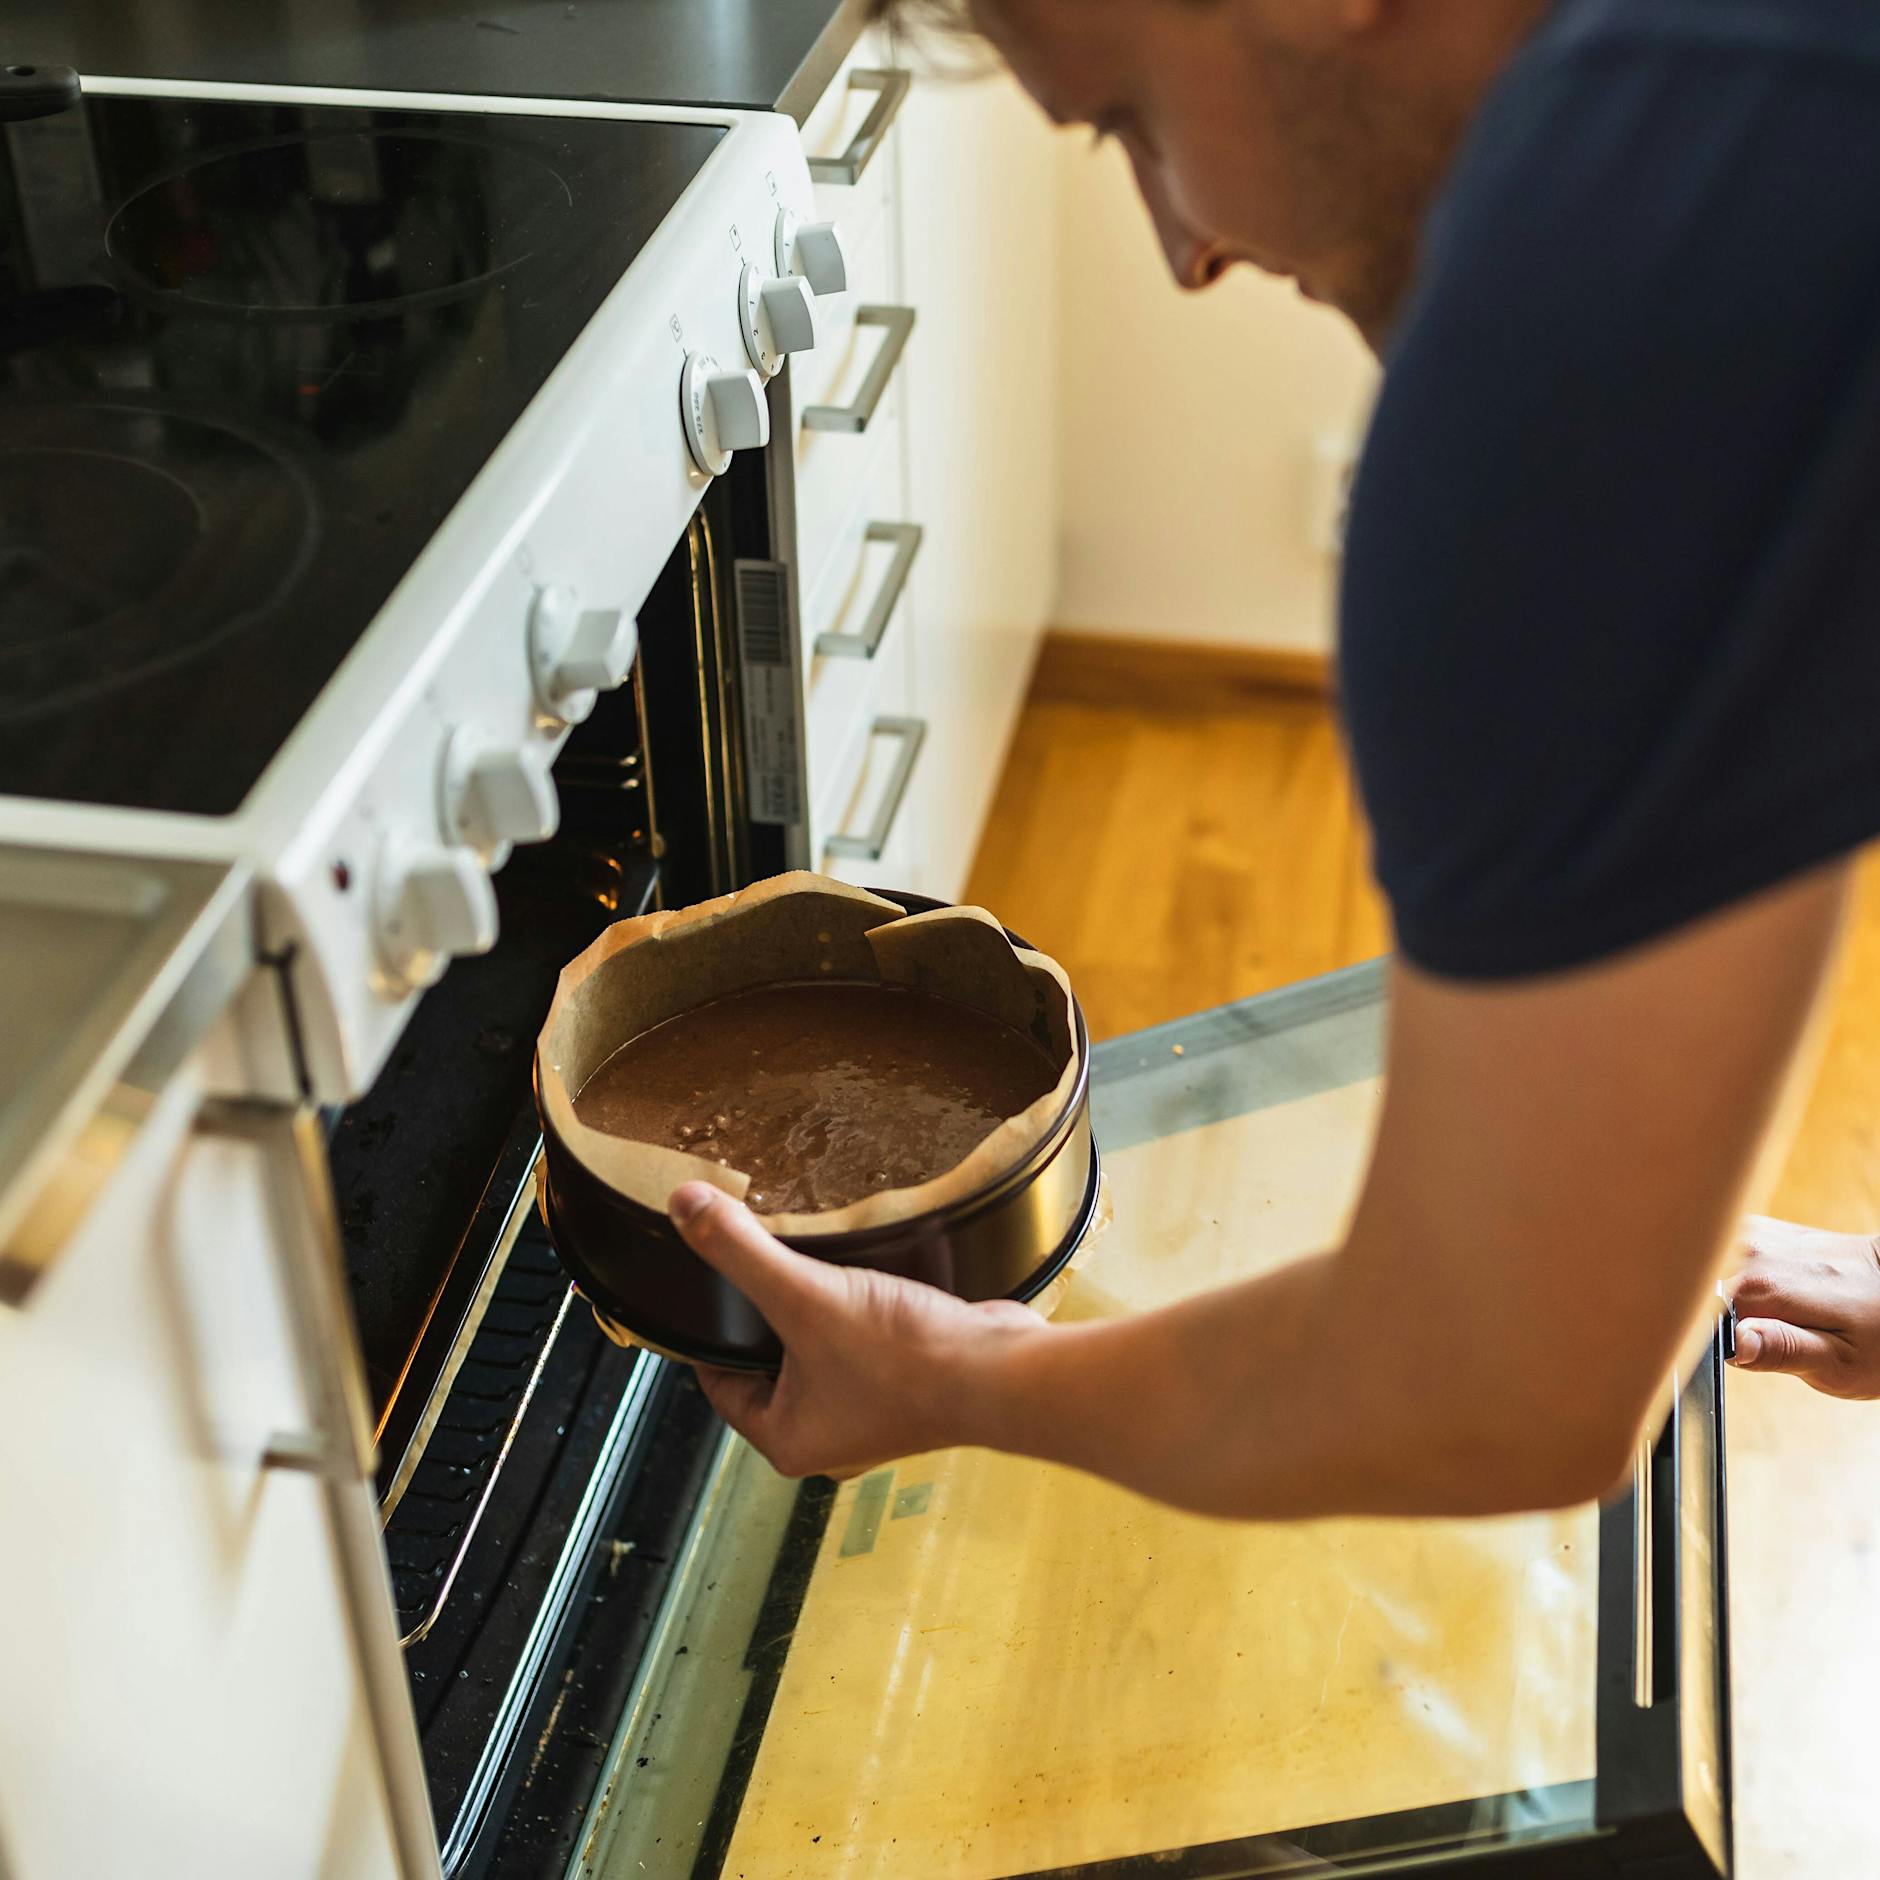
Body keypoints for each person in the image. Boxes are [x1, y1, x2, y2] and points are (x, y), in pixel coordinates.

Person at [668, 0, 1880, 1512]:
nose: (1183, 250)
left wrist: (956, 1371)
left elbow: (1496, 1395)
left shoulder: (1604, 325)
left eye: (1131, 125)